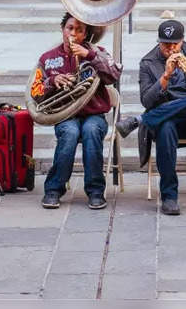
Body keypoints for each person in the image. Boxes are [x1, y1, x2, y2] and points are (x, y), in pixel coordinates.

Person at [115, 19, 186, 215]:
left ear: (182, 42)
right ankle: (169, 197)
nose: (170, 49)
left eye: (175, 44)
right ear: (158, 41)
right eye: (165, 44)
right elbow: (146, 100)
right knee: (165, 127)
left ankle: (142, 120)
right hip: (166, 121)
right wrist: (165, 76)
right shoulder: (148, 62)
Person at [32, 13, 121, 211]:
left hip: (94, 114)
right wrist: (52, 82)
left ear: (86, 34)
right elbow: (35, 92)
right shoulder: (48, 59)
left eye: (79, 30)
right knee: (70, 133)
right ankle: (54, 189)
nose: (73, 33)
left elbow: (114, 74)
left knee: (91, 132)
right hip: (65, 115)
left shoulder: (98, 52)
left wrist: (89, 56)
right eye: (70, 28)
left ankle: (96, 191)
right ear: (62, 29)